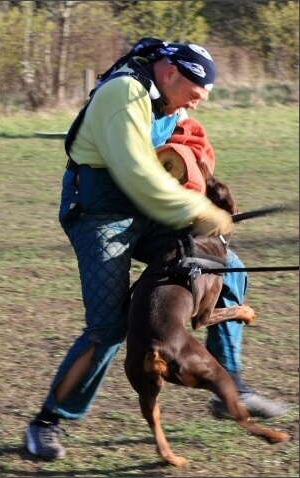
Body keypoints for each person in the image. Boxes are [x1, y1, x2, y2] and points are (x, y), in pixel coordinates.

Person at [25, 39, 289, 460]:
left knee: (226, 265)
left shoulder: (168, 100)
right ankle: (46, 422)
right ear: (171, 74)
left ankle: (228, 386)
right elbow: (138, 177)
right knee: (108, 328)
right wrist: (202, 210)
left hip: (144, 211)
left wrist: (193, 161)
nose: (196, 104)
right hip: (99, 214)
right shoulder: (123, 92)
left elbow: (192, 139)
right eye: (195, 94)